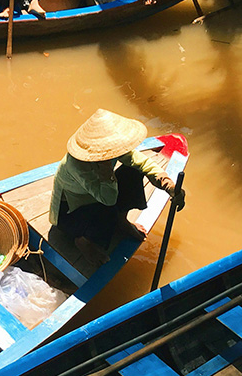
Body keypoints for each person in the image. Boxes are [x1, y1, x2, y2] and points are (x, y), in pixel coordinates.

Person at [49, 109, 183, 262]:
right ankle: (85, 241)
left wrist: (167, 185)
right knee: (108, 209)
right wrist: (107, 174)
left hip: (99, 195)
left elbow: (141, 162)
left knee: (133, 170)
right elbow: (108, 199)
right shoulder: (78, 165)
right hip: (72, 214)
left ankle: (122, 219)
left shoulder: (111, 151)